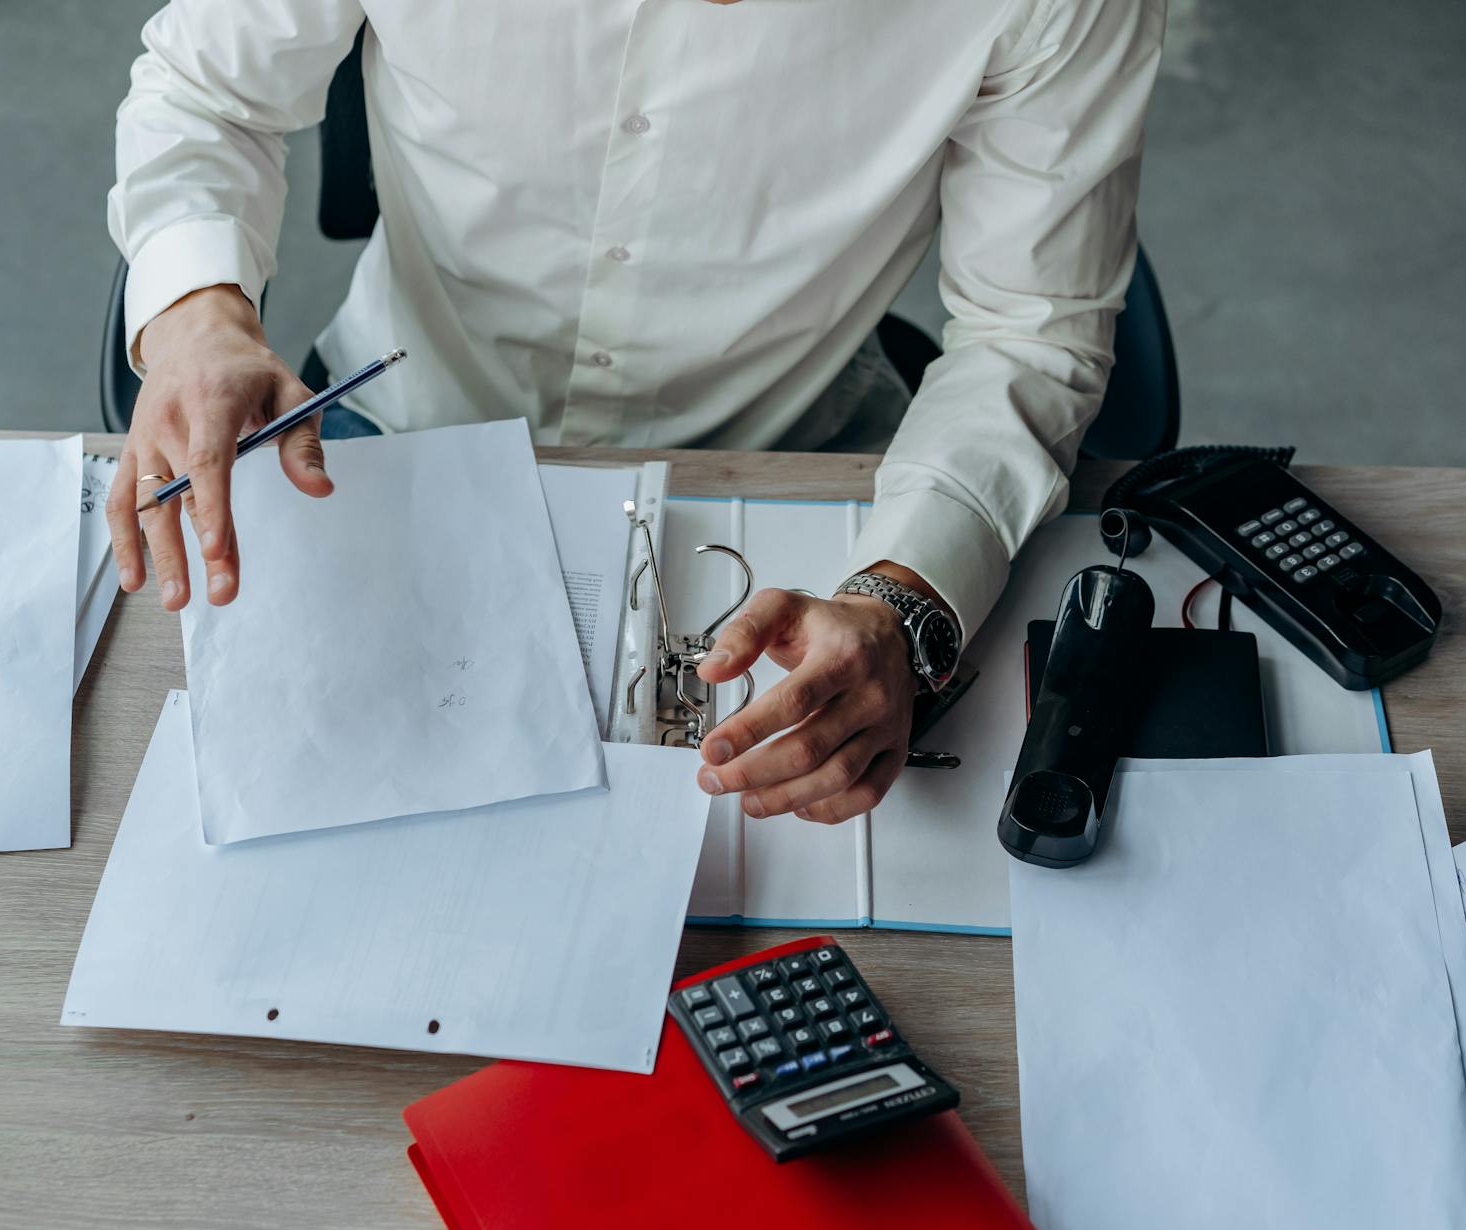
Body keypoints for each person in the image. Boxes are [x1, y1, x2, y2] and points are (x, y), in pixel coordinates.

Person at [103, 0, 1166, 825]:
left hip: (791, 478)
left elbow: (1032, 326)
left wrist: (907, 596)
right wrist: (199, 316)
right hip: (397, 422)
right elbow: (207, 94)